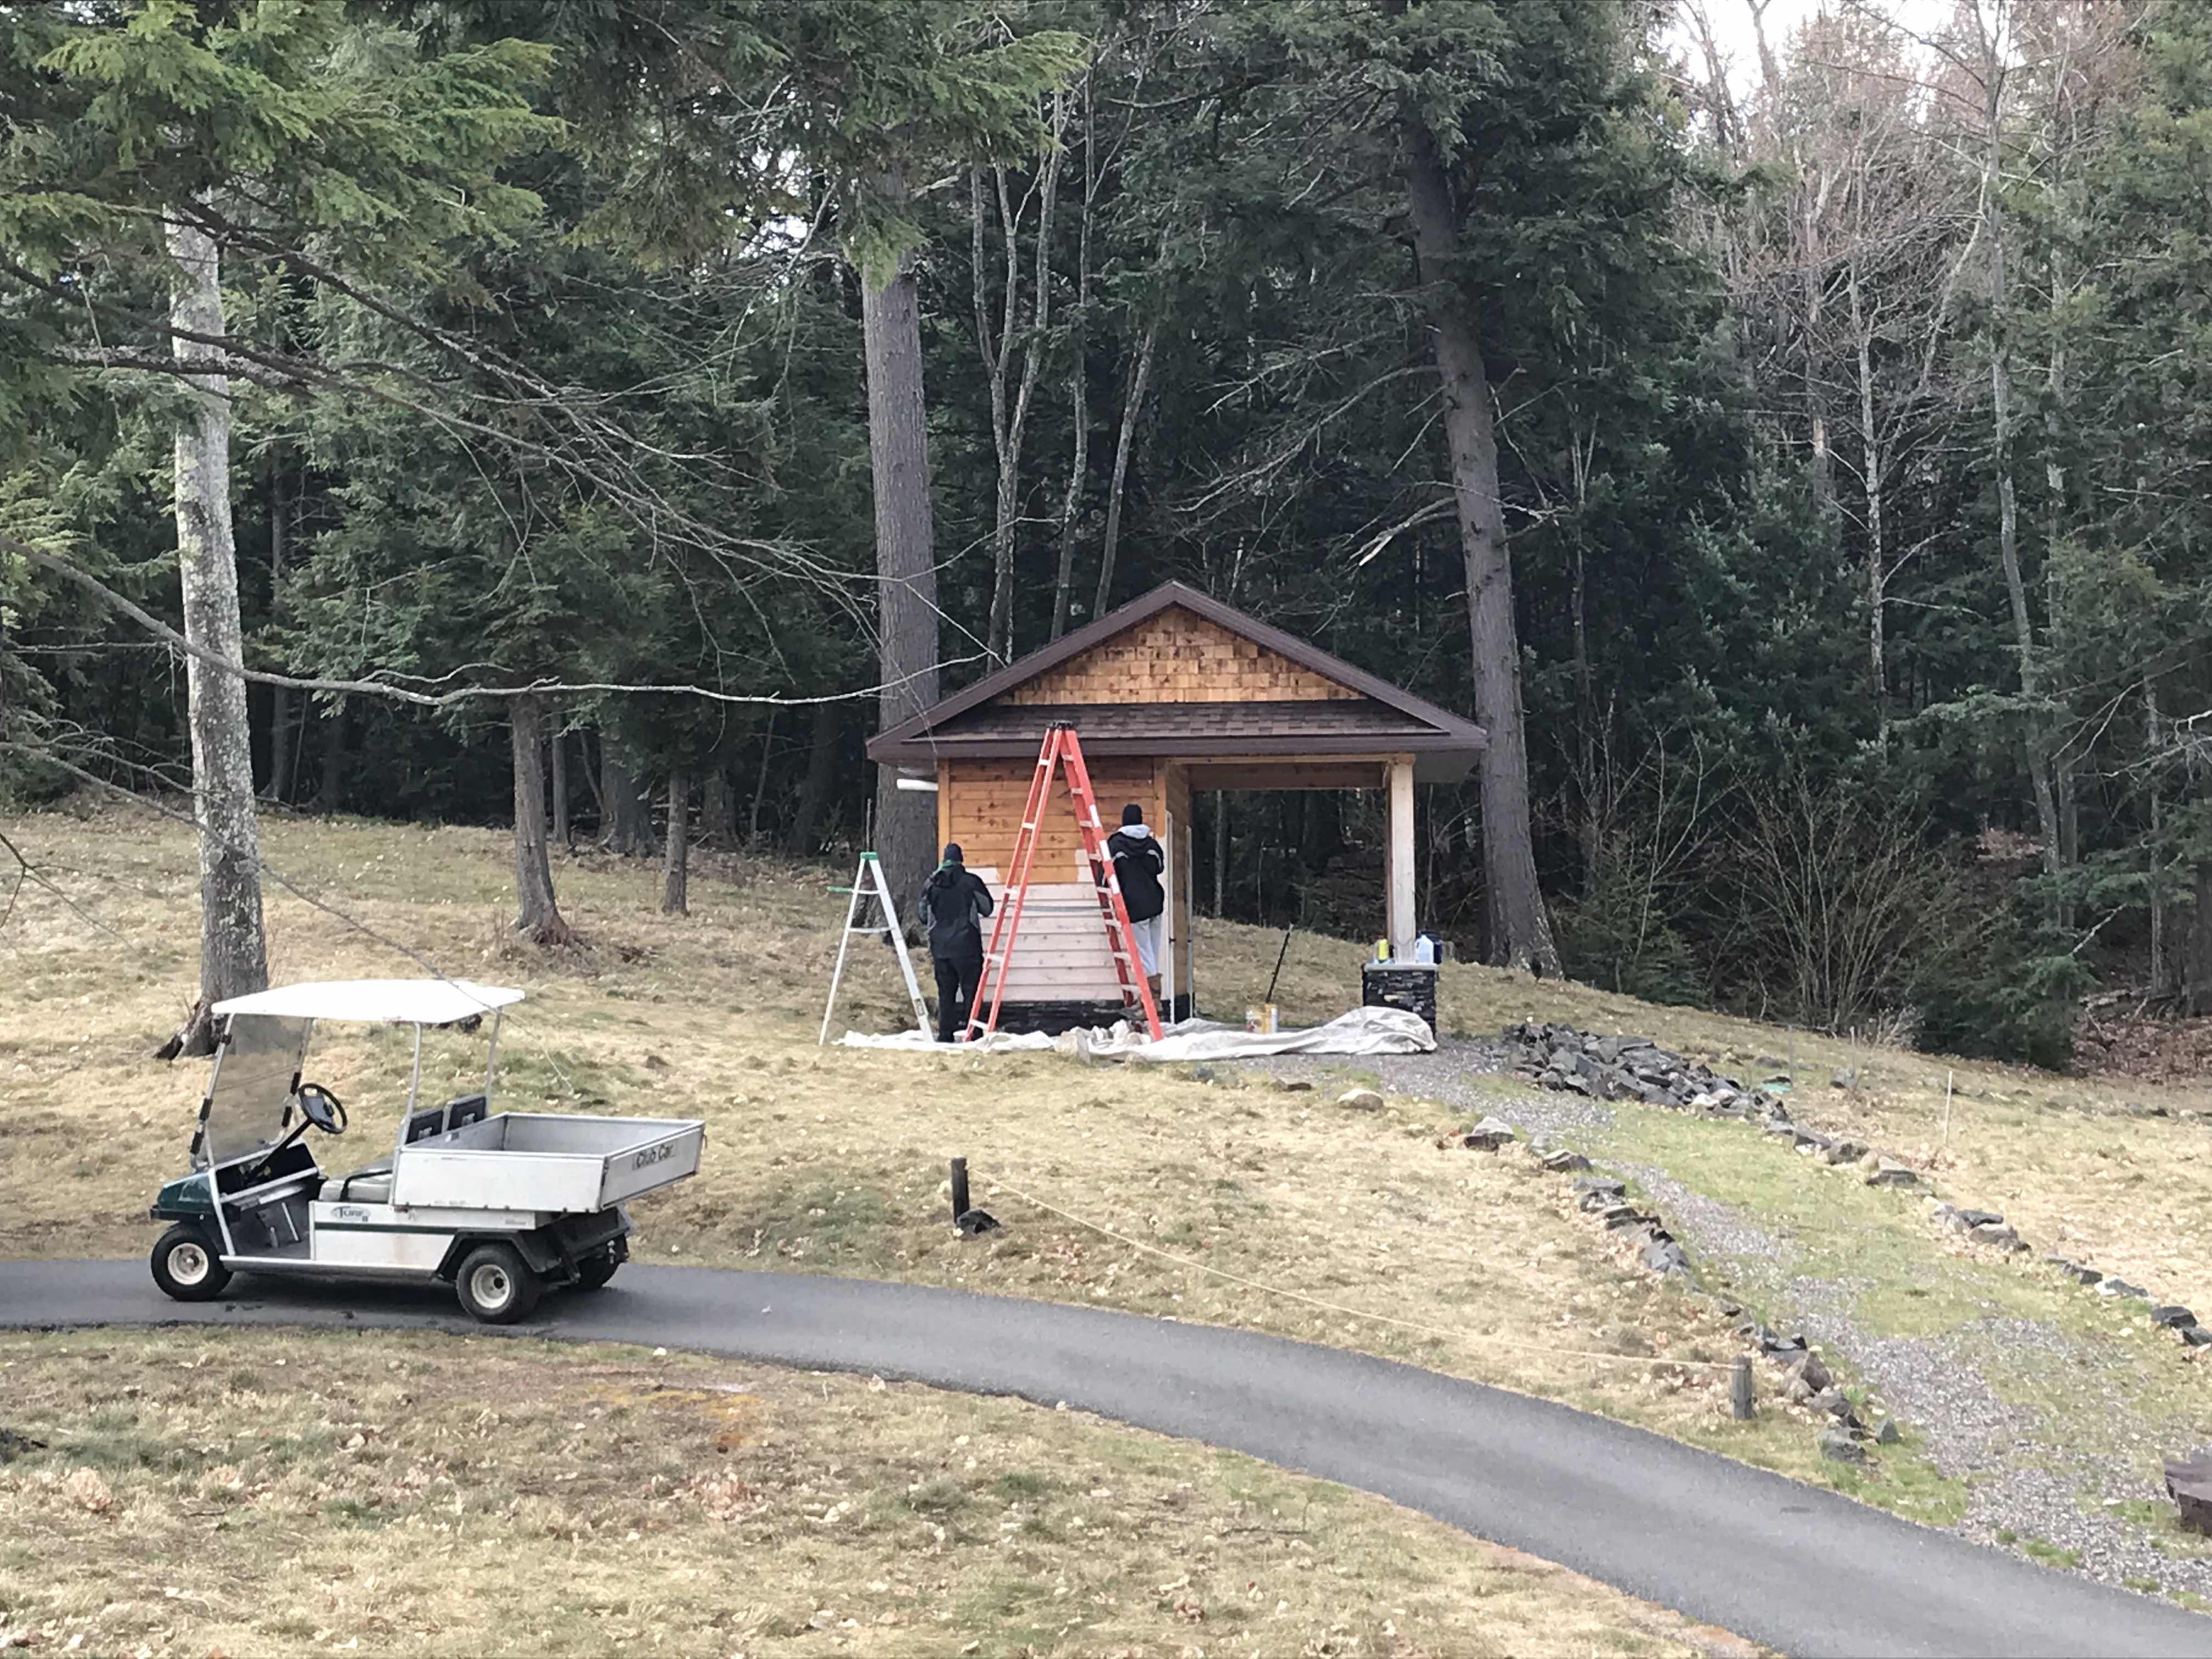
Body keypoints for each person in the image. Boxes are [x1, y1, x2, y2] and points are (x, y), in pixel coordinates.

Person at [919, 842, 994, 1043]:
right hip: (968, 947)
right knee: (971, 993)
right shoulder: (971, 882)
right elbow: (987, 908)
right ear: (961, 860)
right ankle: (974, 1035)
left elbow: (922, 916)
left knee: (946, 993)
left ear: (944, 860)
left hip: (940, 949)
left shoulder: (931, 884)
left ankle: (945, 1035)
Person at [1106, 803, 1167, 1001]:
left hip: (1134, 906)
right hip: (1155, 903)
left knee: (1143, 956)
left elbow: (1106, 876)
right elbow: (1159, 867)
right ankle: (1153, 1000)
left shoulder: (1115, 844)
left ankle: (1150, 1002)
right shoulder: (1152, 845)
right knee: (1153, 953)